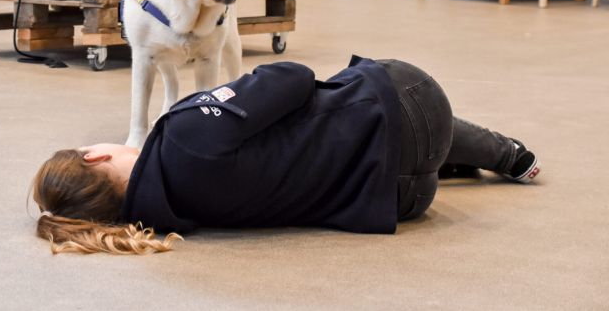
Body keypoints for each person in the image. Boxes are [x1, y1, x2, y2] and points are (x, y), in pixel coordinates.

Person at [31, 56, 540, 255]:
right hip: (413, 110)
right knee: (370, 87)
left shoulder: (169, 216)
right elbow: (291, 78)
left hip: (401, 198)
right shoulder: (183, 137)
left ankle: (451, 160)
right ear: (95, 158)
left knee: (309, 145)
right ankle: (507, 154)